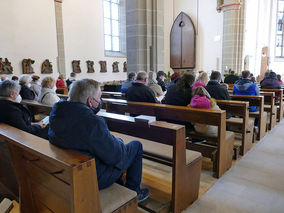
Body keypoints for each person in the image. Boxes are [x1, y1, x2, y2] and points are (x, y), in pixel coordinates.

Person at [48, 79, 149, 202]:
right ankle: (134, 192)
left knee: (113, 145)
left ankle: (120, 184)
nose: (100, 101)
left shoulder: (57, 112)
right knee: (136, 146)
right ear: (90, 101)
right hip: (92, 176)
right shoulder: (91, 121)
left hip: (66, 169)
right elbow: (116, 156)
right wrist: (119, 143)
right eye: (99, 98)